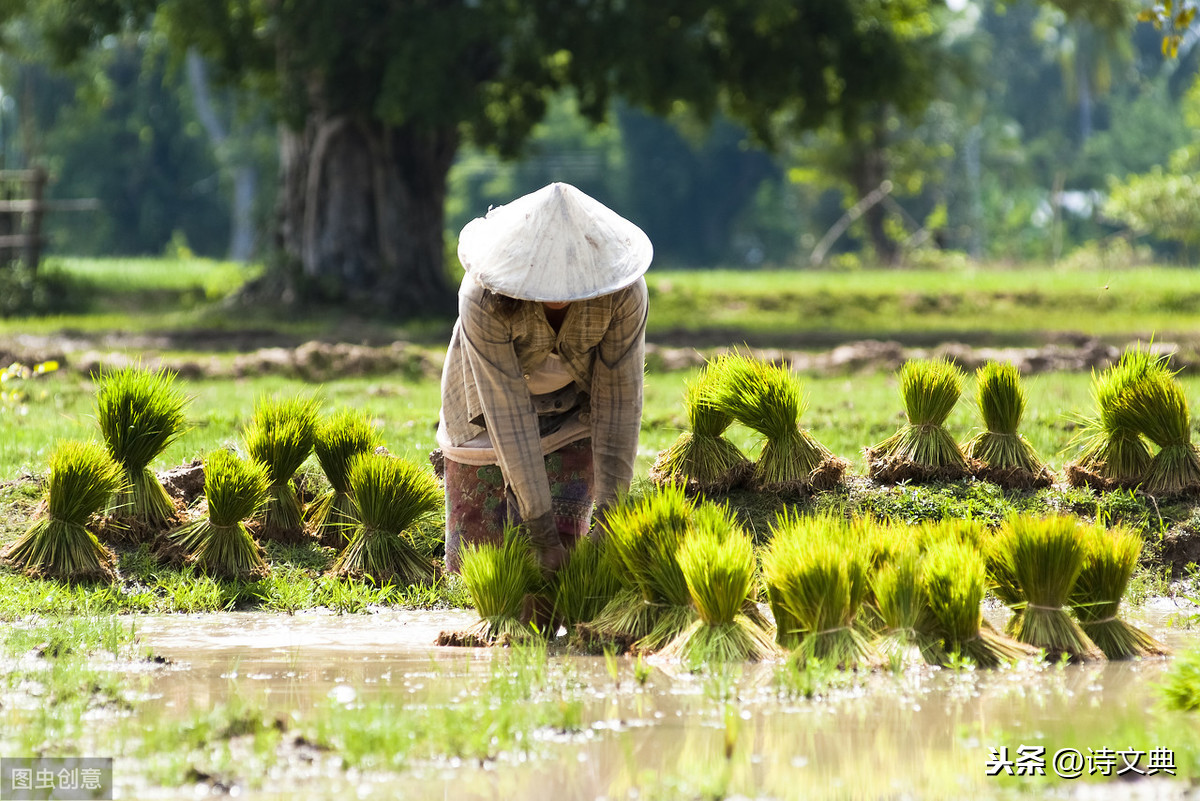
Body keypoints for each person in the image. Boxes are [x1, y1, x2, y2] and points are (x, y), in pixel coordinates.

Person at [437, 182, 651, 574]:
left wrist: (610, 516)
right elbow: (507, 411)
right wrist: (541, 531)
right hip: (485, 414)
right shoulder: (482, 298)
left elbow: (620, 402)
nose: (559, 292)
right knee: (482, 569)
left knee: (571, 565)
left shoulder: (623, 294)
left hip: (574, 410)